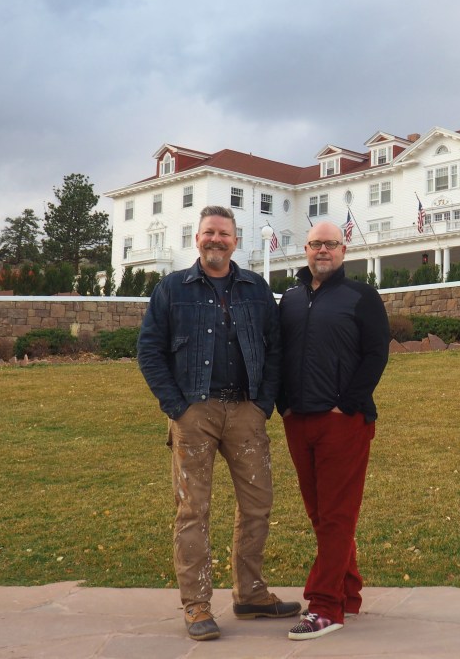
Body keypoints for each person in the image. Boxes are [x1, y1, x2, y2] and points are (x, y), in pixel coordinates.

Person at [137, 205, 300, 641]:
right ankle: (197, 606)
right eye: (209, 232)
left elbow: (275, 349)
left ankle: (250, 594)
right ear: (198, 239)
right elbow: (149, 351)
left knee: (258, 504)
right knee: (193, 510)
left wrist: (263, 403)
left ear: (235, 240)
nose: (216, 240)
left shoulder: (256, 289)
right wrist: (177, 407)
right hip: (195, 414)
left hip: (245, 411)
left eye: (224, 234)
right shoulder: (172, 289)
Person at [278, 220, 390, 640]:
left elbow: (376, 354)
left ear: (344, 250)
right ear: (305, 250)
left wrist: (348, 404)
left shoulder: (361, 296)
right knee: (320, 514)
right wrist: (283, 405)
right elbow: (278, 352)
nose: (322, 250)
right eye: (315, 244)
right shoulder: (288, 298)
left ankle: (326, 606)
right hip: (298, 420)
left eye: (330, 244)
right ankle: (349, 591)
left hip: (344, 421)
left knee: (337, 515)